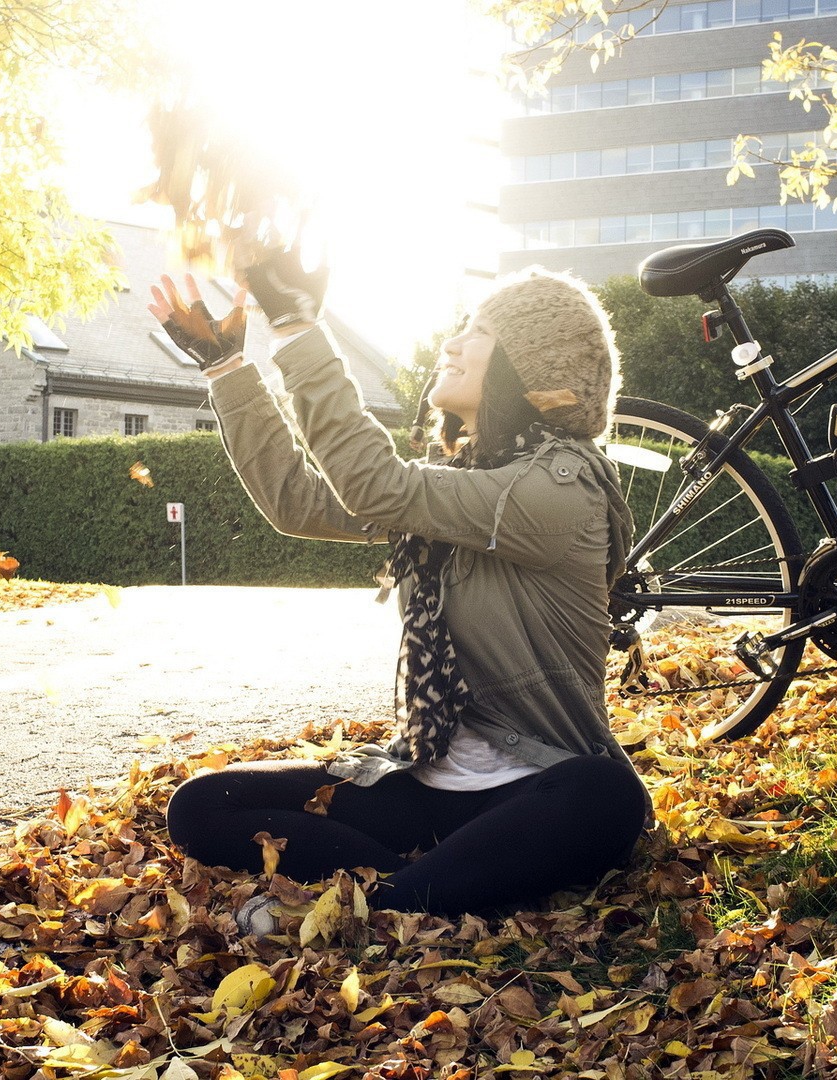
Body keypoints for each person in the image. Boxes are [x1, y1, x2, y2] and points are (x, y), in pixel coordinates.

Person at [148, 247, 649, 927]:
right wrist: (228, 365)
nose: (452, 342)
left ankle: (379, 906)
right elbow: (298, 500)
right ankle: (427, 880)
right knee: (202, 804)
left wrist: (298, 328)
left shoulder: (559, 488)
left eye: (477, 332)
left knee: (607, 794)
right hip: (422, 782)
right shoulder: (458, 485)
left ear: (528, 365)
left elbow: (374, 482)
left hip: (535, 789)